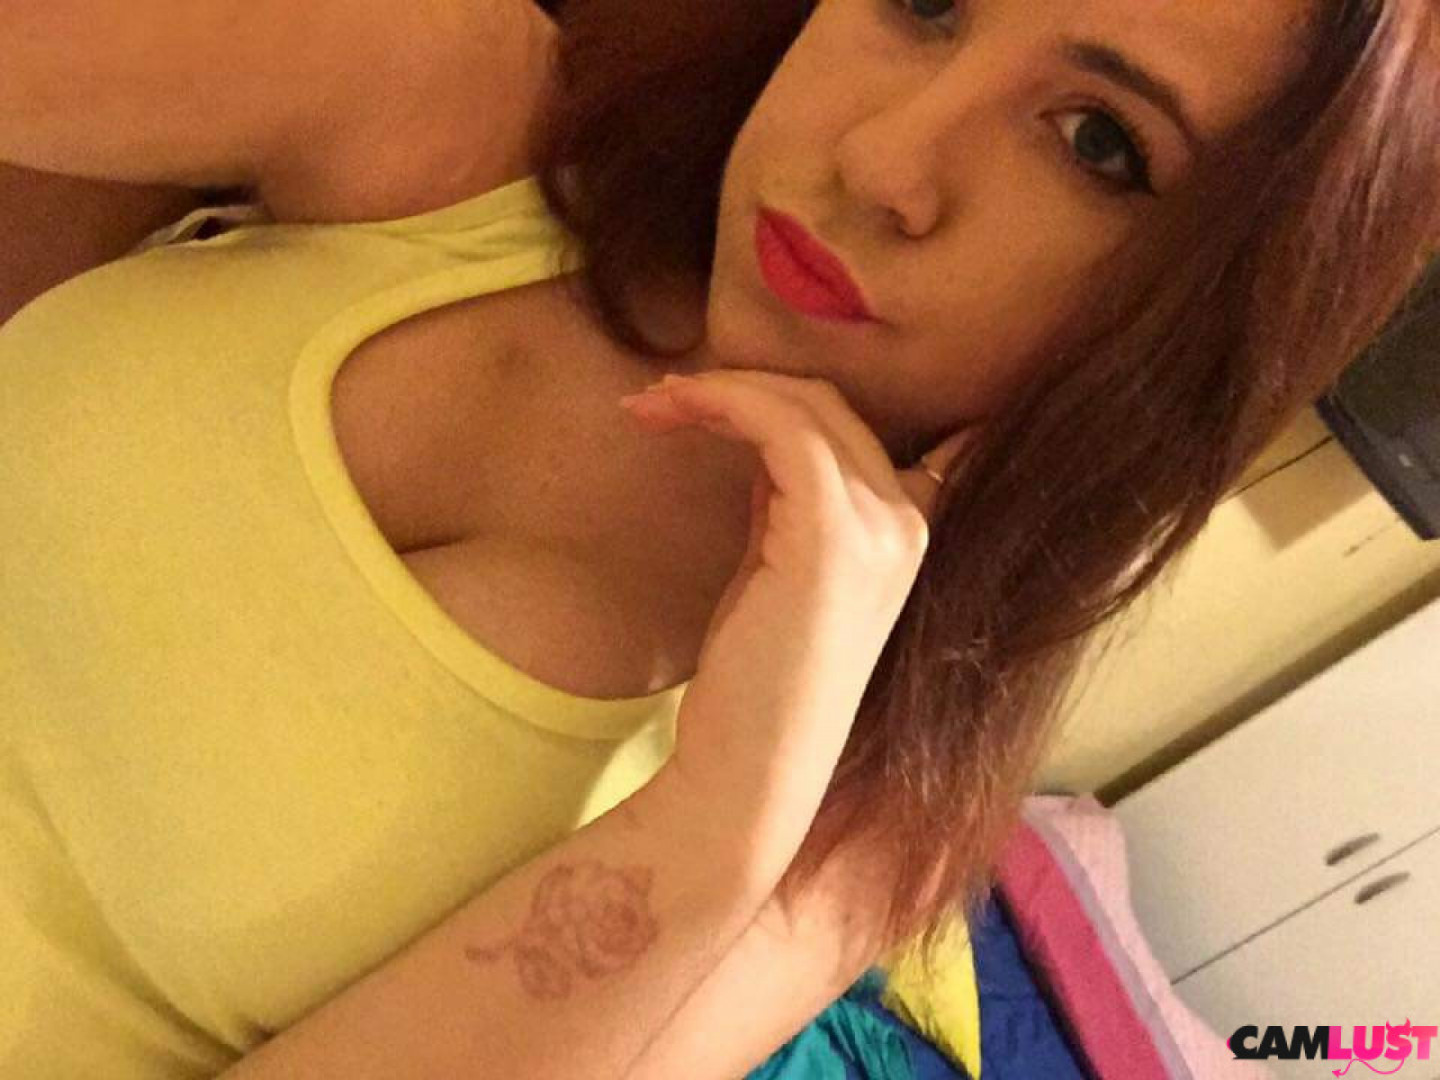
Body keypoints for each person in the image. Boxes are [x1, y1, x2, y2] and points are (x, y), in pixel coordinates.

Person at [1, 0, 1436, 1076]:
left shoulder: (855, 813)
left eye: (1097, 145)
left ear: (1194, 330)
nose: (884, 158)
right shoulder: (453, 119)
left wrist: (718, 826)